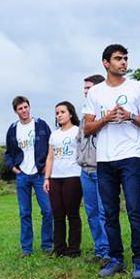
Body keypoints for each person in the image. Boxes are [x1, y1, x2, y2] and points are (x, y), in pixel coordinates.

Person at [84, 44, 140, 279]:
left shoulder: (137, 87)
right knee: (110, 213)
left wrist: (130, 116)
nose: (123, 62)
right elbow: (87, 128)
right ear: (106, 63)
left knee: (135, 209)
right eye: (118, 59)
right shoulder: (95, 93)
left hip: (130, 157)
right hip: (105, 160)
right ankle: (115, 258)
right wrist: (106, 118)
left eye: (125, 58)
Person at [4, 96, 53, 257]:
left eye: (25, 107)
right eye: (20, 109)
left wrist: (47, 166)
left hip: (40, 174)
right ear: (15, 111)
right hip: (22, 175)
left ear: (29, 107)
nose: (24, 111)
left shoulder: (41, 125)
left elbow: (51, 146)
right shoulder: (13, 129)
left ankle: (47, 245)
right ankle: (27, 248)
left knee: (47, 210)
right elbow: (8, 153)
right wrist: (13, 167)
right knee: (25, 213)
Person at [76, 74, 110, 263]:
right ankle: (99, 250)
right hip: (85, 171)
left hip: (102, 170)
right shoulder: (84, 117)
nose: (85, 91)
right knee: (92, 213)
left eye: (89, 88)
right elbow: (79, 140)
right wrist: (79, 159)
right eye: (84, 88)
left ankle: (108, 252)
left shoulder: (106, 113)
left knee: (105, 212)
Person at [43, 101, 83, 257]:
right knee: (57, 214)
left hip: (73, 176)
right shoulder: (54, 134)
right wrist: (47, 178)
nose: (59, 115)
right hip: (55, 178)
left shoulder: (77, 131)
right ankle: (59, 248)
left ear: (70, 113)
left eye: (62, 112)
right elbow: (50, 157)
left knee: (72, 213)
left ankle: (73, 250)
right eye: (57, 113)